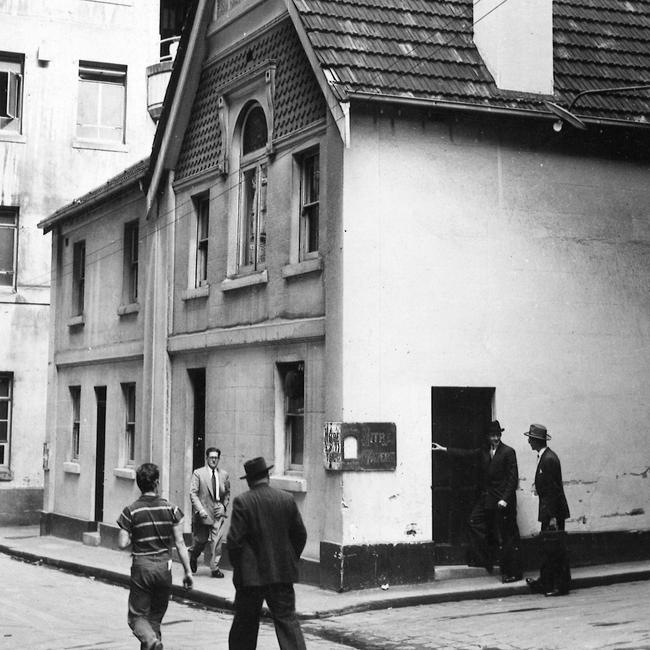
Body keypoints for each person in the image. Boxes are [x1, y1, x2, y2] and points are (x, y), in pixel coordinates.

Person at [227, 456, 307, 650]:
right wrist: (289, 559)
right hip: (281, 574)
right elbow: (300, 535)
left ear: (249, 480)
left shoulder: (242, 502)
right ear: (267, 476)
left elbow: (234, 542)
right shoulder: (286, 499)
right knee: (287, 622)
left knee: (245, 626)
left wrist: (241, 569)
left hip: (251, 579)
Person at [432, 420, 523, 583]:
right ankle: (485, 558)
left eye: (497, 435)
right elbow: (466, 454)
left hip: (503, 502)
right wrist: (444, 449)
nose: (495, 438)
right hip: (488, 500)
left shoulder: (508, 452)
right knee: (474, 522)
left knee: (507, 536)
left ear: (500, 435)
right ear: (488, 436)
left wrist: (505, 499)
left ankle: (513, 572)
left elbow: (512, 478)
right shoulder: (484, 451)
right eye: (492, 435)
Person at [117, 463, 193, 650]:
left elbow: (122, 543)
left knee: (136, 617)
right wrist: (188, 572)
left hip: (142, 567)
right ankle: (153, 643)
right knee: (154, 619)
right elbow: (180, 543)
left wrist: (134, 532)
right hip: (164, 568)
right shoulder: (171, 510)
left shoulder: (131, 511)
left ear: (139, 484)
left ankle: (151, 642)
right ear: (157, 483)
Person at [523, 424, 571, 597]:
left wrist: (551, 517)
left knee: (555, 550)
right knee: (549, 549)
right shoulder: (545, 457)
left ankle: (559, 586)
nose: (528, 441)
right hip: (549, 511)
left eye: (530, 438)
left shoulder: (549, 459)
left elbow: (553, 491)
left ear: (537, 440)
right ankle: (546, 581)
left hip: (552, 512)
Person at [189, 447, 230, 578]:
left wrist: (224, 506)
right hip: (203, 511)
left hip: (218, 510)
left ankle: (214, 568)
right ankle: (194, 555)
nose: (213, 460)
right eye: (211, 457)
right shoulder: (198, 473)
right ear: (207, 458)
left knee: (216, 542)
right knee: (200, 541)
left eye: (216, 458)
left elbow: (227, 493)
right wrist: (200, 510)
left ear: (219, 459)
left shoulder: (224, 475)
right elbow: (193, 493)